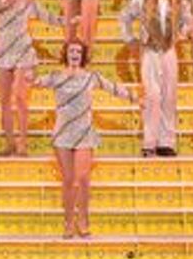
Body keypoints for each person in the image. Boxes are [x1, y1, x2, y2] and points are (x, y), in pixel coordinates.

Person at [35, 39, 138, 239]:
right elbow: (37, 82)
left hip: (84, 133)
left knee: (82, 179)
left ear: (82, 56)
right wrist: (30, 77)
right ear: (66, 54)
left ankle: (83, 221)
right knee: (68, 180)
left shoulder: (91, 77)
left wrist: (135, 98)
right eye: (71, 51)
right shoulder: (56, 77)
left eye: (78, 51)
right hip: (63, 134)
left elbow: (113, 88)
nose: (75, 54)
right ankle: (68, 222)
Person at [0, 0, 62, 156]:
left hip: (24, 53)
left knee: (20, 98)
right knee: (4, 101)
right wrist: (2, 5)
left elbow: (49, 18)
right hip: (3, 53)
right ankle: (9, 144)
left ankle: (23, 143)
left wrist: (68, 21)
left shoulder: (28, 2)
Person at [119, 0, 192, 157]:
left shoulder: (181, 2)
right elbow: (124, 17)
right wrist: (129, 39)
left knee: (169, 97)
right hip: (150, 51)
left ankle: (166, 142)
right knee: (152, 96)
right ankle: (149, 143)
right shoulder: (141, 0)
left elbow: (188, 21)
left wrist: (183, 33)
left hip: (169, 51)